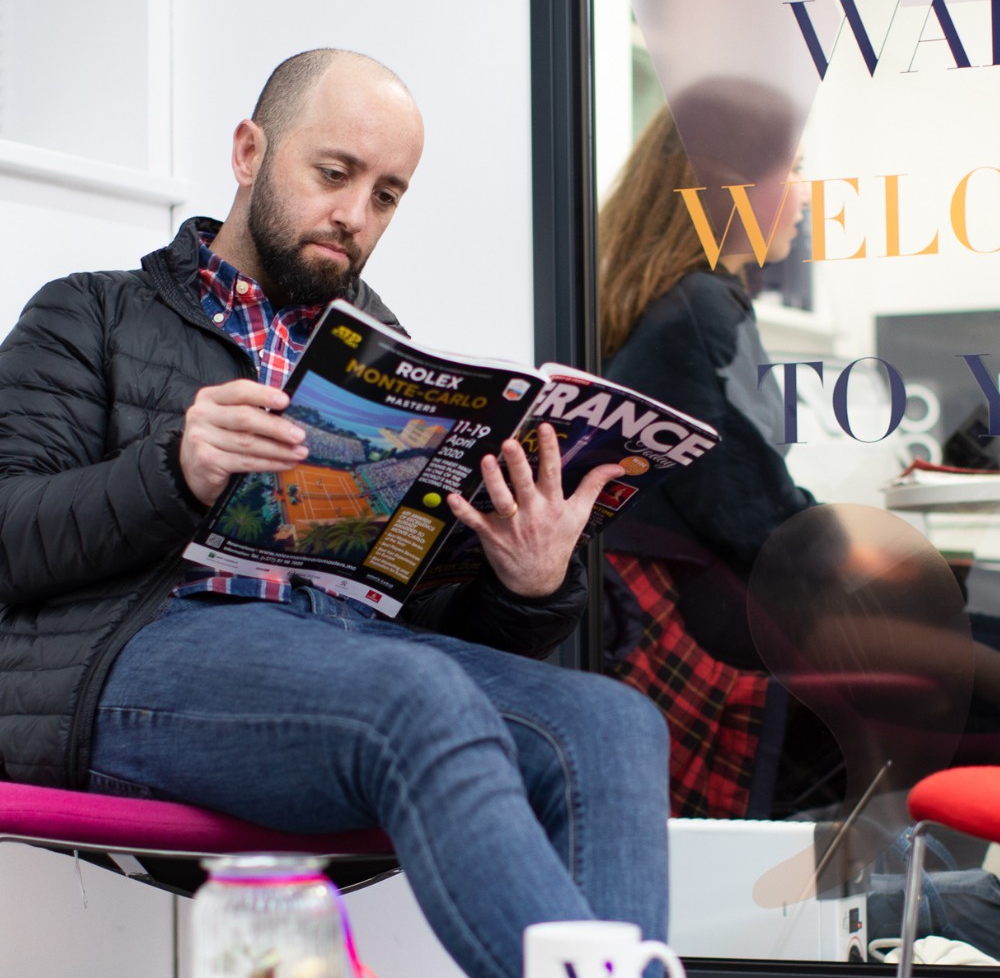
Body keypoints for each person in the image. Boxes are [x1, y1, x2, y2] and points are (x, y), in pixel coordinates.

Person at [0, 49, 671, 978]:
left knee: (612, 724)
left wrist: (526, 584)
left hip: (341, 660)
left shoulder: (385, 355)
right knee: (417, 698)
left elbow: (422, 614)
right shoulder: (92, 315)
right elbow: (9, 535)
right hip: (136, 665)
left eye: (387, 195)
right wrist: (173, 469)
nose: (355, 216)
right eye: (334, 174)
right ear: (248, 153)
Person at [597, 79, 815, 819]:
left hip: (692, 628)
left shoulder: (657, 304)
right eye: (794, 172)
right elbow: (759, 520)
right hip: (722, 654)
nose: (807, 195)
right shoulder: (700, 307)